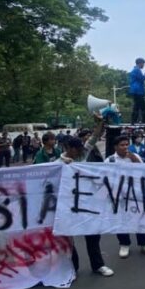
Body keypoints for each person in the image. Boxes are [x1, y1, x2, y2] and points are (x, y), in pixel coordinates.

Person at [59, 114, 114, 277]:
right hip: (68, 205)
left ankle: (98, 265)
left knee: (92, 235)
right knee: (69, 238)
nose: (82, 151)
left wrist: (101, 121)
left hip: (87, 202)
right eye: (78, 149)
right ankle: (72, 268)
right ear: (70, 149)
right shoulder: (57, 164)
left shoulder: (82, 155)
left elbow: (96, 136)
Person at [105, 135, 145, 258]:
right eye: (122, 145)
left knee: (140, 219)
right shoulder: (110, 160)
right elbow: (106, 178)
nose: (125, 147)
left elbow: (144, 172)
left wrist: (134, 159)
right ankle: (124, 244)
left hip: (135, 194)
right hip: (119, 196)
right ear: (115, 147)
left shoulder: (134, 157)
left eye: (126, 145)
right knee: (121, 220)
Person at [129, 57, 145, 123]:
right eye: (143, 64)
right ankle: (143, 120)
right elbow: (142, 79)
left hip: (134, 90)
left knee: (138, 105)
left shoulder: (134, 70)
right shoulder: (137, 70)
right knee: (141, 106)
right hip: (138, 90)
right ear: (140, 63)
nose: (143, 65)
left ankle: (134, 120)